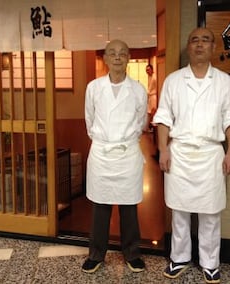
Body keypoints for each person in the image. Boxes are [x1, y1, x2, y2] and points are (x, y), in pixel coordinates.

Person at [152, 27, 230, 284]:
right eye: (194, 40)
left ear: (214, 47)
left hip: (212, 153)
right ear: (188, 47)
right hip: (179, 153)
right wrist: (163, 149)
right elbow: (163, 118)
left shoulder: (224, 82)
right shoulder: (174, 80)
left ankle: (210, 263)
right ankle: (179, 258)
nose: (200, 44)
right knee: (179, 212)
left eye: (205, 40)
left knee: (211, 212)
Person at [82, 39, 148, 274]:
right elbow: (89, 120)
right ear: (106, 59)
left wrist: (123, 139)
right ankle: (96, 254)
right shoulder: (94, 87)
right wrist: (104, 140)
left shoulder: (138, 89)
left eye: (122, 53)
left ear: (128, 57)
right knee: (100, 205)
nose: (117, 57)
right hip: (102, 151)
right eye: (112, 53)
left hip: (127, 151)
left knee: (129, 206)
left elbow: (142, 121)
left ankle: (132, 253)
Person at [143, 64, 157, 132]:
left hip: (153, 97)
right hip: (150, 96)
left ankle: (153, 129)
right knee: (148, 113)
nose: (147, 71)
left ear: (152, 70)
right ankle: (147, 128)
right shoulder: (150, 76)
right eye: (146, 70)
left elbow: (150, 89)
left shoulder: (154, 77)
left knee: (153, 112)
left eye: (148, 70)